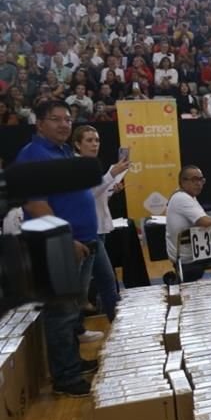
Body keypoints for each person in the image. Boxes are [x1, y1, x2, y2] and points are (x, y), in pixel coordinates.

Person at [16, 101, 102, 397]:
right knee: (61, 313)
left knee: (72, 309)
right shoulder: (32, 156)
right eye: (56, 120)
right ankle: (65, 378)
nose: (64, 125)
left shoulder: (64, 151)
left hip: (83, 243)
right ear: (39, 123)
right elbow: (35, 204)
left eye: (67, 119)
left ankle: (72, 362)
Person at [72, 126, 126, 322]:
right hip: (87, 231)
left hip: (98, 227)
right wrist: (111, 175)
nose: (95, 144)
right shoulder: (76, 165)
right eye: (89, 140)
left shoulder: (90, 164)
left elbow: (95, 197)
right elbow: (85, 195)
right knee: (97, 282)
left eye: (97, 140)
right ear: (77, 144)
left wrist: (112, 189)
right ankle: (84, 326)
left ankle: (113, 322)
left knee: (102, 281)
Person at [164, 165, 211, 282]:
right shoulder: (183, 198)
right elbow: (204, 222)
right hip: (189, 258)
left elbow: (203, 219)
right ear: (183, 181)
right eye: (195, 180)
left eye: (201, 180)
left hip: (187, 255)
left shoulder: (183, 196)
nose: (199, 183)